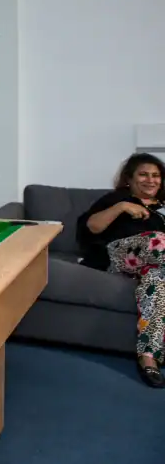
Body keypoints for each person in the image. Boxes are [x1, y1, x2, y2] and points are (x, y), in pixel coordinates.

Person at [77, 152, 165, 387]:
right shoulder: (116, 199)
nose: (150, 180)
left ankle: (148, 358)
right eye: (143, 174)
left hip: (154, 265)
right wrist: (121, 207)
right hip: (117, 256)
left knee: (157, 283)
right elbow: (91, 227)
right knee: (159, 241)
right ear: (130, 179)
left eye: (156, 175)